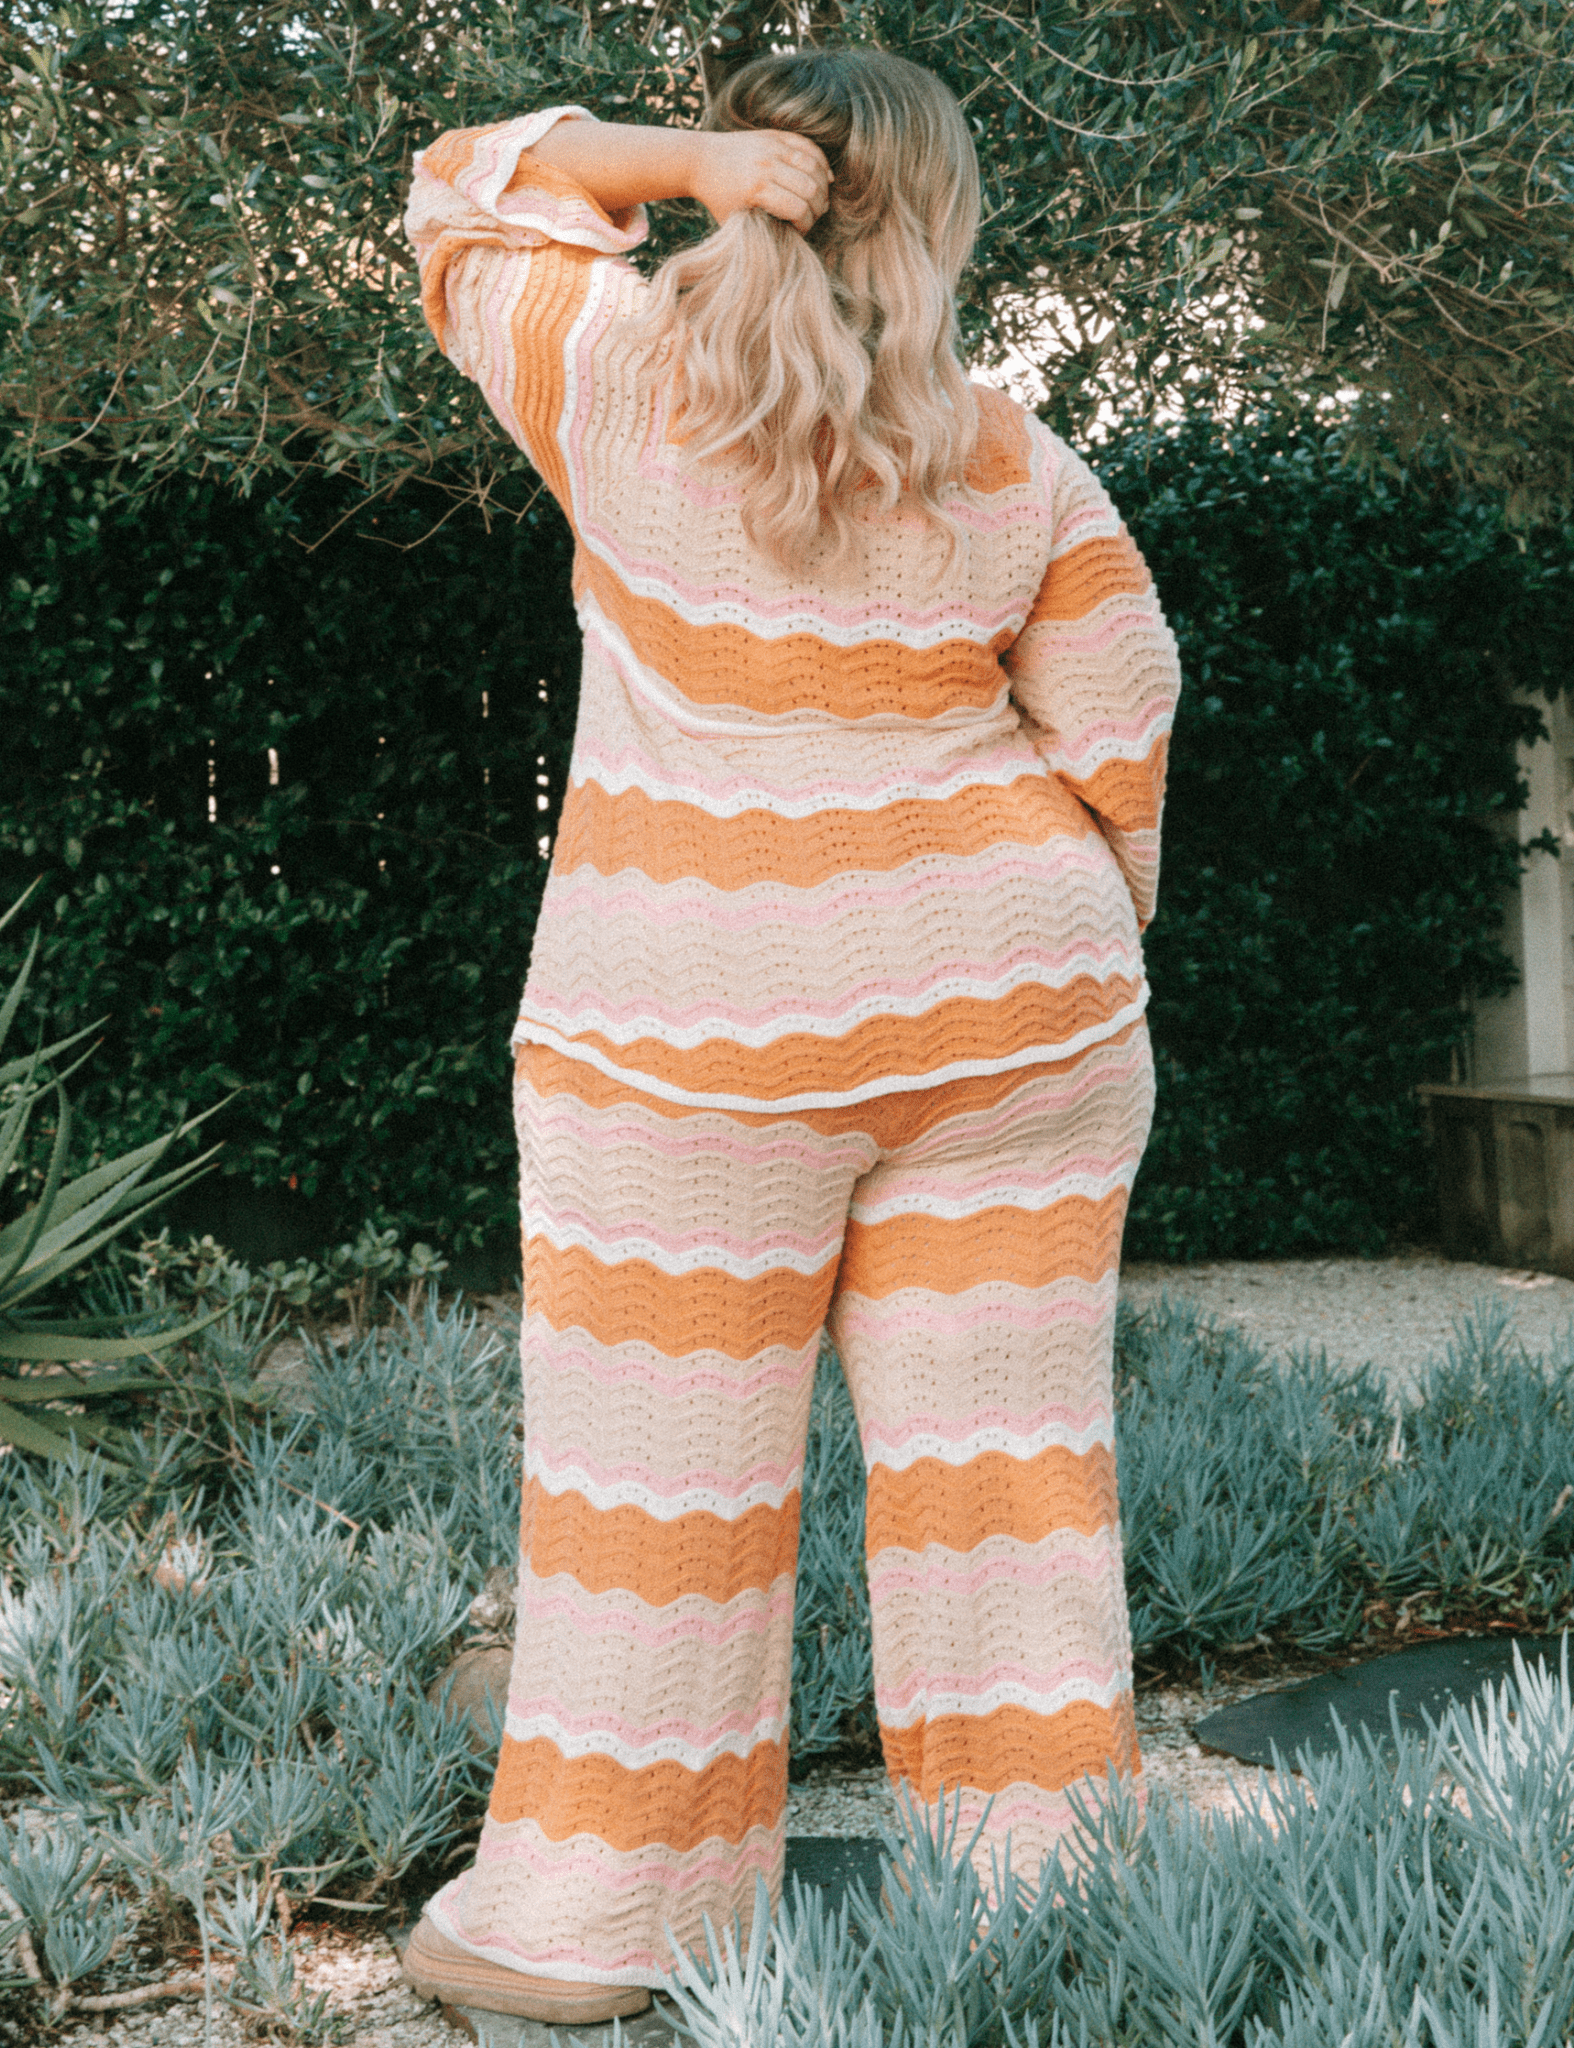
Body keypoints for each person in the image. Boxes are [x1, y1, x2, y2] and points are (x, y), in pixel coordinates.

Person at [397, 46, 1180, 2027]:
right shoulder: (1010, 459)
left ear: (762, 179)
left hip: (693, 1035)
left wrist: (686, 161)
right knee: (1009, 1481)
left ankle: (600, 1927)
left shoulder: (616, 378)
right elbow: (1123, 697)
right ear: (941, 221)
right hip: (1019, 1018)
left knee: (661, 1501)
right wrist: (1083, 918)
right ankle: (1036, 1907)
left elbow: (460, 190)